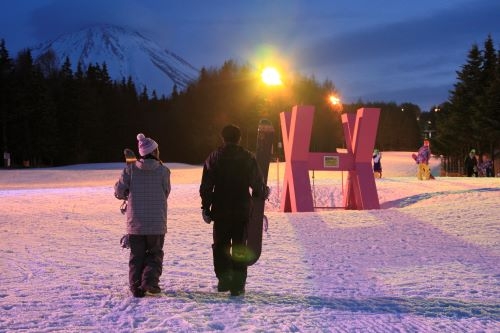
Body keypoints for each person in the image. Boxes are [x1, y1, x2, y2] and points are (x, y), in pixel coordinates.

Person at [199, 124, 268, 296]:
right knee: (239, 246)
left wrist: (206, 207)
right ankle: (238, 285)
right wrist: (263, 192)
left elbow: (206, 186)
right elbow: (257, 185)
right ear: (239, 138)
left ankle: (224, 279)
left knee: (220, 245)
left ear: (223, 138)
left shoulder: (214, 157)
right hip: (242, 209)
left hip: (220, 209)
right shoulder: (247, 157)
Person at [114, 133, 171, 297]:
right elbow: (166, 191)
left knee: (136, 256)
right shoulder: (163, 171)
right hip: (156, 222)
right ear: (154, 152)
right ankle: (150, 281)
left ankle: (136, 287)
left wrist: (126, 194)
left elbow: (119, 191)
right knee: (154, 254)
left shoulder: (130, 170)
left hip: (135, 223)